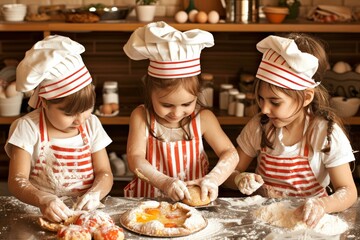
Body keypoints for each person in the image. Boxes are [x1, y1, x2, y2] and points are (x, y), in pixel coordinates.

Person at [223, 33, 358, 228]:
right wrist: (239, 179)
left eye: (275, 102)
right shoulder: (260, 126)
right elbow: (228, 173)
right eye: (261, 99)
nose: (264, 109)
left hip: (309, 226)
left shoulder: (325, 133)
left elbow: (348, 191)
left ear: (306, 97)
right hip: (265, 222)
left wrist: (322, 204)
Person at [123, 21, 239, 202]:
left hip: (193, 206)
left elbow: (230, 153)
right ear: (150, 93)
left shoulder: (204, 118)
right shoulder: (140, 116)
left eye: (186, 104)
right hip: (148, 205)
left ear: (197, 94)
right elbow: (135, 159)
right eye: (167, 105)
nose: (176, 113)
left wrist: (213, 179)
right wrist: (164, 182)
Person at [5, 35, 113, 223]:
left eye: (86, 109)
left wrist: (95, 194)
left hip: (86, 216)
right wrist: (43, 199)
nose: (80, 120)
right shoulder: (28, 128)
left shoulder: (92, 124)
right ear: (45, 103)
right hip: (40, 214)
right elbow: (17, 181)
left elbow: (105, 172)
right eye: (69, 113)